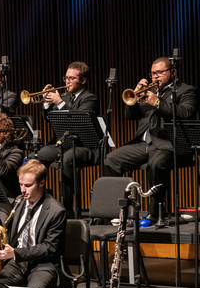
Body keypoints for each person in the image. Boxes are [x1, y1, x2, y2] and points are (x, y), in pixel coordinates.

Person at [104, 57, 198, 219]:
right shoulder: (150, 92)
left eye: (160, 72)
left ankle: (155, 213)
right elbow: (130, 116)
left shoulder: (186, 90)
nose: (156, 77)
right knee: (110, 161)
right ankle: (116, 211)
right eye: (153, 73)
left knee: (156, 164)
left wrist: (158, 103)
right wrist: (134, 98)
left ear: (172, 72)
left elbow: (186, 113)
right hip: (143, 144)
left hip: (169, 144)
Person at [0, 159, 66, 288]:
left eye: (28, 185)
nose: (23, 190)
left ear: (42, 183)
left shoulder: (56, 211)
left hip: (44, 264)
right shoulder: (19, 202)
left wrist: (15, 253)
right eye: (21, 185)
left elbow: (50, 248)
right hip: (18, 261)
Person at [34, 61, 99, 213]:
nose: (67, 81)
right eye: (66, 78)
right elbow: (49, 119)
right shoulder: (66, 97)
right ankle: (40, 203)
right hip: (65, 143)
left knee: (67, 159)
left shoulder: (90, 98)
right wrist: (46, 103)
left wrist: (60, 103)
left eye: (71, 78)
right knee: (37, 156)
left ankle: (66, 209)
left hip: (85, 145)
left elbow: (77, 122)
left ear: (82, 80)